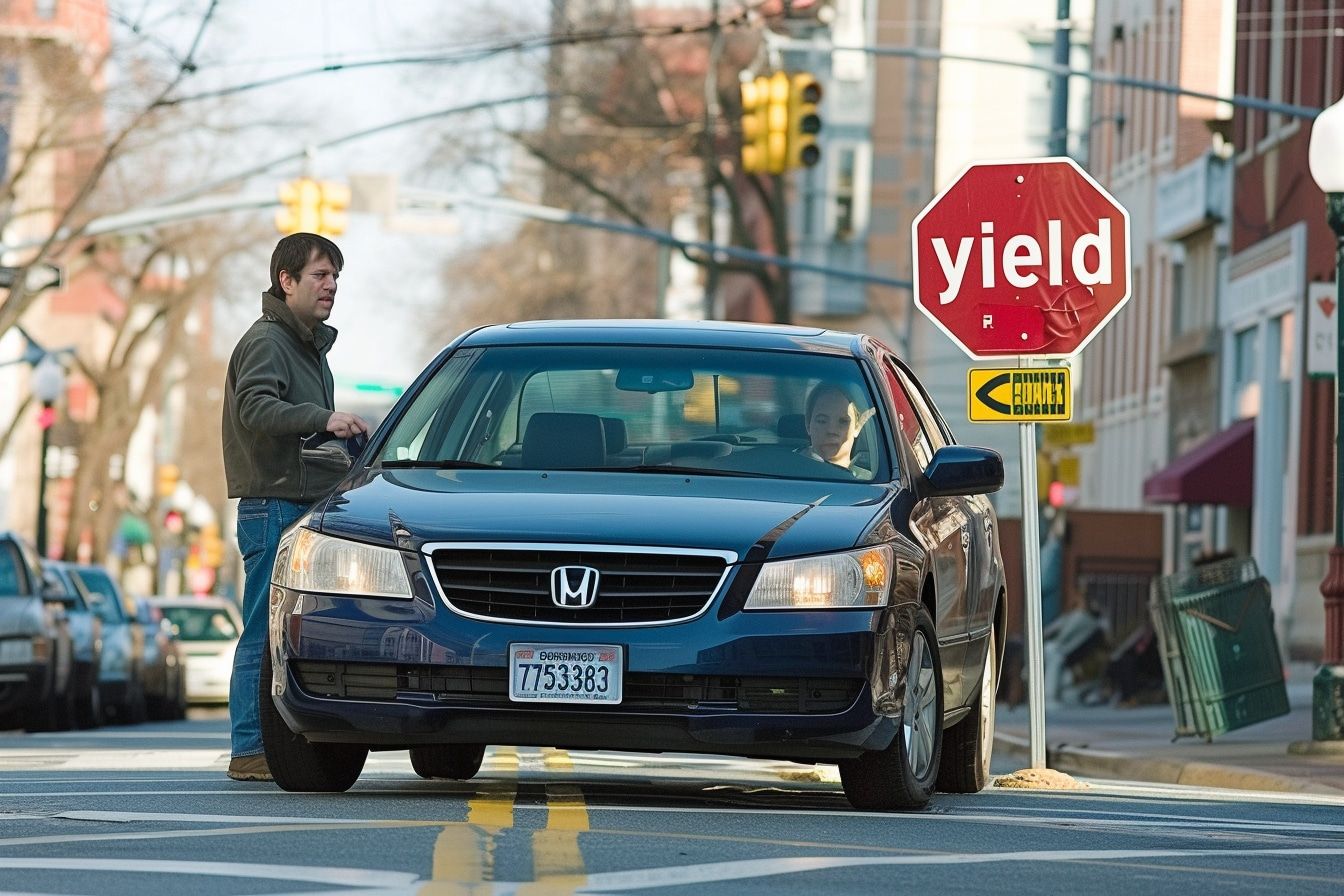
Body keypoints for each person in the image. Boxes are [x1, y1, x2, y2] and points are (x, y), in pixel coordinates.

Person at [220, 232, 369, 782]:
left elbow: (302, 437)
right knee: (261, 631)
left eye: (334, 277)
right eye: (319, 276)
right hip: (272, 506)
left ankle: (279, 743)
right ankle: (249, 749)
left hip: (297, 504)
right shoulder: (267, 341)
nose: (330, 286)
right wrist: (322, 417)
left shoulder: (306, 347)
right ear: (286, 282)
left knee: (289, 633)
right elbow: (257, 408)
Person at [798, 381, 874, 477]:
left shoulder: (870, 482)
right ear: (808, 425)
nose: (831, 430)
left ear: (857, 427)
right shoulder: (789, 473)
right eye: (822, 421)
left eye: (843, 421)